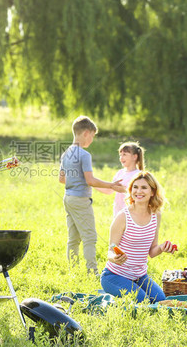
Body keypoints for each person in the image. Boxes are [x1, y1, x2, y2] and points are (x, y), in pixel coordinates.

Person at [59, 116, 122, 275]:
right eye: (93, 136)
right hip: (80, 200)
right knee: (90, 238)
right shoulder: (84, 155)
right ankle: (92, 272)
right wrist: (111, 185)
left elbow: (61, 179)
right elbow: (90, 180)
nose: (92, 140)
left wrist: (75, 181)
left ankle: (73, 270)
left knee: (73, 239)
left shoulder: (66, 153)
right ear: (86, 133)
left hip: (68, 198)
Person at [100, 171, 175, 303]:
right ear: (130, 190)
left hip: (140, 276)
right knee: (143, 301)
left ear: (152, 192)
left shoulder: (155, 215)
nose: (138, 191)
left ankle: (130, 291)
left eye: (144, 187)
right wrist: (115, 258)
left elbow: (152, 252)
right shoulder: (123, 217)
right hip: (113, 276)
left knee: (160, 300)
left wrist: (162, 248)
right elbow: (111, 249)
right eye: (135, 187)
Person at [96, 142, 145, 218]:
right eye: (120, 155)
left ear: (134, 157)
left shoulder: (140, 175)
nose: (121, 158)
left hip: (133, 215)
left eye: (124, 154)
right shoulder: (120, 173)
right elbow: (109, 191)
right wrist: (92, 183)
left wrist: (125, 190)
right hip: (118, 213)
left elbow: (141, 194)